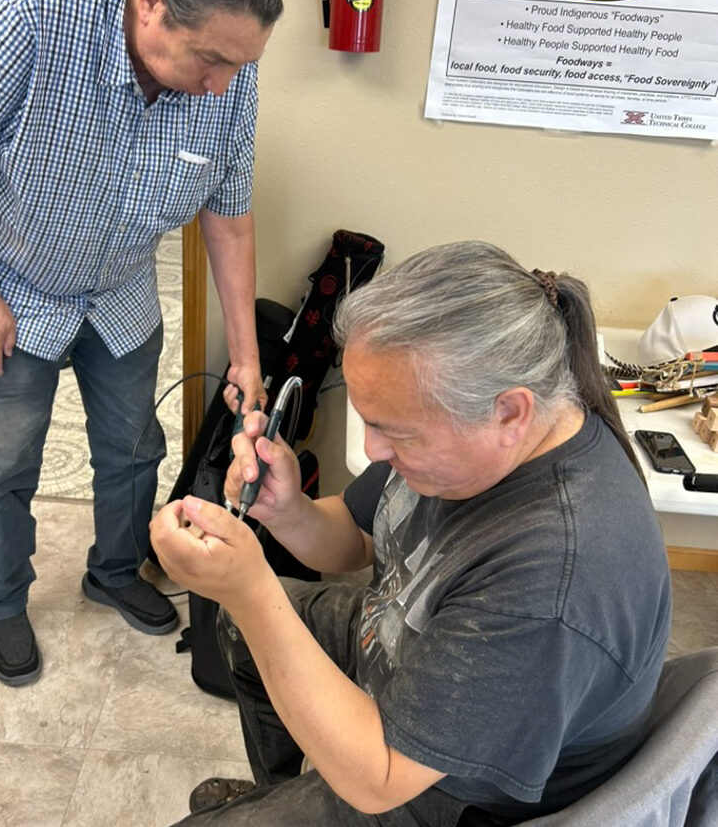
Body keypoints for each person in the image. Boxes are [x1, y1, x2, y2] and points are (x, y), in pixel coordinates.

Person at [150, 241, 672, 826]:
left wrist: (248, 589)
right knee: (243, 631)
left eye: (394, 432)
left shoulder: (554, 581)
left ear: (509, 413)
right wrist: (288, 510)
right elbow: (356, 536)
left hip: (444, 795)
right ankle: (280, 792)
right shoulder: (471, 438)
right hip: (407, 654)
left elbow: (381, 779)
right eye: (369, 420)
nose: (372, 451)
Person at [0, 0, 281, 686]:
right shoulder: (30, 10)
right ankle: (3, 598)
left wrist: (245, 354)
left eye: (241, 64)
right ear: (151, 3)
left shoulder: (229, 77)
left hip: (118, 290)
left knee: (133, 446)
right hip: (9, 286)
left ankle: (114, 569)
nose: (223, 85)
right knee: (7, 462)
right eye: (211, 59)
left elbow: (229, 215)